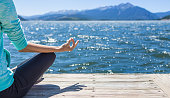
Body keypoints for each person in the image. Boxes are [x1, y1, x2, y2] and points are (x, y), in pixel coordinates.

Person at [0, 0, 79, 98]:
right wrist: (60, 48)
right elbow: (22, 46)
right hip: (5, 91)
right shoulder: (3, 3)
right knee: (49, 56)